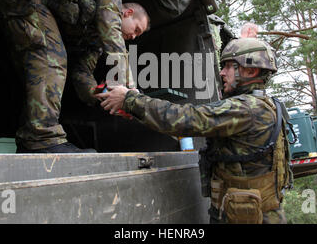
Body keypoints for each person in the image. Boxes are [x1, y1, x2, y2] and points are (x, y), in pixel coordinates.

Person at [96, 37, 293, 224]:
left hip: (247, 216)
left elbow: (186, 119)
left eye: (228, 66)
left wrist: (131, 100)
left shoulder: (246, 109)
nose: (222, 73)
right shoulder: (267, 106)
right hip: (253, 212)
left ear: (250, 71)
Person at [0, 0, 150, 153]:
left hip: (27, 6)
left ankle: (30, 141)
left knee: (36, 77)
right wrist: (131, 91)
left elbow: (81, 73)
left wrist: (105, 97)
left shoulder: (95, 43)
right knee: (52, 58)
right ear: (127, 13)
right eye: (136, 29)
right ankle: (43, 139)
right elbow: (113, 38)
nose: (134, 36)